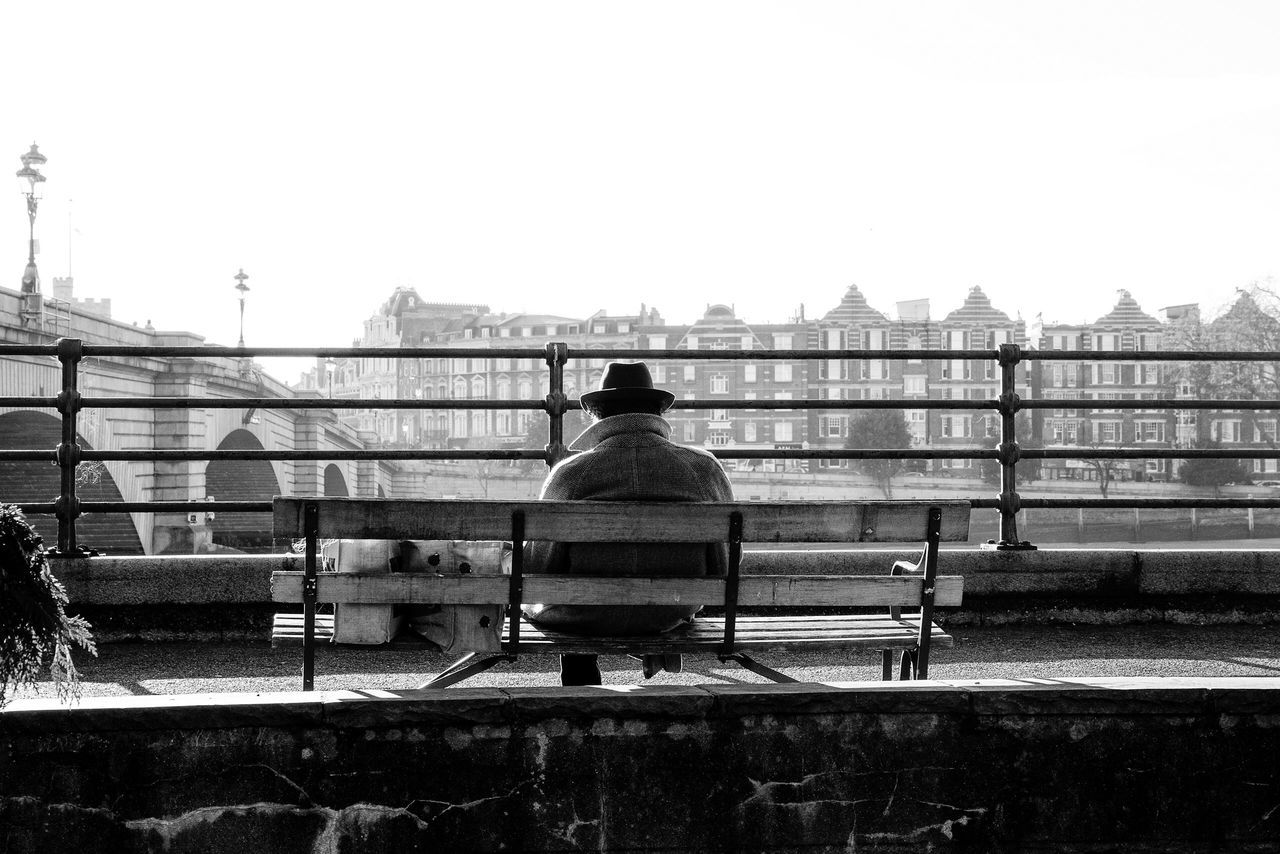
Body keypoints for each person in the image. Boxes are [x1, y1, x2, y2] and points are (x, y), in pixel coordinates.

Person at [524, 360, 735, 686]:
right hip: (669, 610)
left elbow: (539, 566)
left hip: (588, 616)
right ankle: (651, 642)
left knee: (573, 599)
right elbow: (724, 565)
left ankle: (583, 696)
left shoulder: (569, 474)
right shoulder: (705, 468)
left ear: (598, 415)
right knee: (640, 604)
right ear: (657, 412)